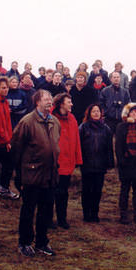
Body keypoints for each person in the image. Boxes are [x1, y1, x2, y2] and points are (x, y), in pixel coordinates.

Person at [11, 89, 60, 257]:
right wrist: (19, 174)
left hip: (50, 175)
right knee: (28, 210)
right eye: (46, 98)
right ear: (37, 101)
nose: (49, 101)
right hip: (32, 175)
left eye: (51, 98)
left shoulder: (54, 122)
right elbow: (16, 149)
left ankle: (41, 242)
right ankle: (24, 242)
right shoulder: (27, 122)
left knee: (46, 211)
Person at [79, 103, 114, 222]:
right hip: (87, 164)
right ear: (89, 113)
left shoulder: (106, 128)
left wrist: (110, 162)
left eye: (98, 111)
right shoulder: (83, 127)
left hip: (100, 165)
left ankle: (95, 213)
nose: (96, 113)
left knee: (97, 191)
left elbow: (109, 147)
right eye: (93, 111)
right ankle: (86, 214)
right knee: (86, 190)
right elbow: (79, 145)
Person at [52, 93, 82, 229]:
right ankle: (47, 219)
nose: (72, 104)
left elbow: (76, 140)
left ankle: (62, 219)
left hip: (67, 162)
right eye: (69, 102)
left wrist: (77, 159)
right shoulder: (51, 118)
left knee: (63, 193)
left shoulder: (72, 119)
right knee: (50, 192)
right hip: (53, 163)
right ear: (61, 104)